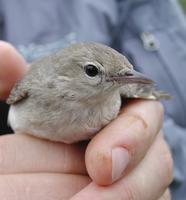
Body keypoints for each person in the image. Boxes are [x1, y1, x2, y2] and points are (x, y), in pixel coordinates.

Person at [0, 0, 185, 199]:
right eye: (92, 71)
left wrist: (164, 176)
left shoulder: (117, 93)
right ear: (65, 73)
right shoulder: (32, 84)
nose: (123, 82)